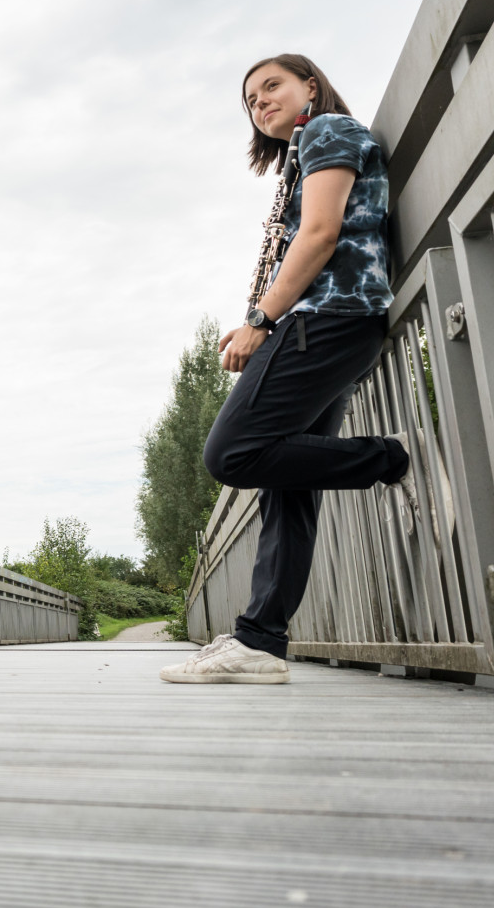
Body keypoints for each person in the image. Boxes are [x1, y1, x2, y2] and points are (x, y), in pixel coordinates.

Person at [161, 54, 414, 686]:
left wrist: (260, 318)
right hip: (341, 322)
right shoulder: (306, 150)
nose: (260, 102)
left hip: (325, 318)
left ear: (311, 85)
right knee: (288, 487)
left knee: (234, 454)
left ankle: (387, 459)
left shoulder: (330, 131)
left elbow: (322, 233)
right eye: (250, 99)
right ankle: (259, 642)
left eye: (271, 86)